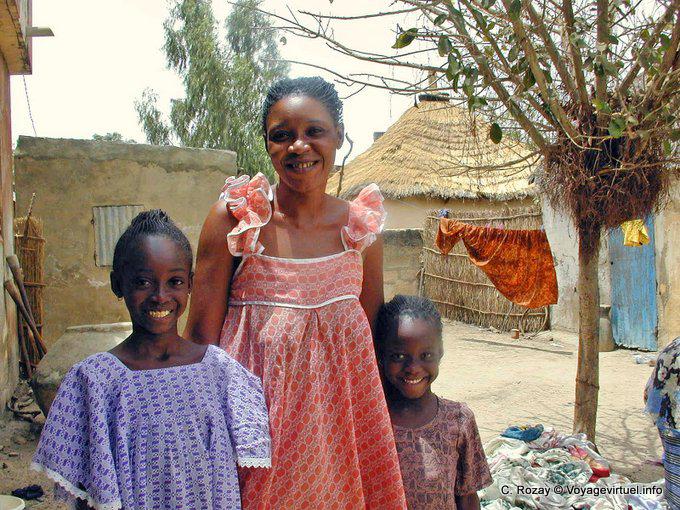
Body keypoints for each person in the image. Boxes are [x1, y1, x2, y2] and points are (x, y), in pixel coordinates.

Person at [184, 76, 407, 508]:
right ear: (268, 145)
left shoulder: (360, 233)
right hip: (253, 438)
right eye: (282, 136)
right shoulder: (236, 221)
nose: (298, 146)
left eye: (314, 132)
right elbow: (199, 340)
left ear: (339, 136)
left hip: (337, 441)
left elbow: (370, 343)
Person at [32, 210, 271, 510]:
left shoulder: (220, 373)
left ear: (190, 284)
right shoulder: (94, 382)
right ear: (117, 284)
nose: (160, 296)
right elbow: (88, 495)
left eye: (174, 281)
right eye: (143, 282)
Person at [376, 295, 492, 510]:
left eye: (426, 355)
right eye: (399, 356)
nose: (413, 367)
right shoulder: (370, 423)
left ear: (440, 354)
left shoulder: (458, 420)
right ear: (382, 356)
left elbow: (467, 497)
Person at [645, 336, 680, 508]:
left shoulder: (674, 344)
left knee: (675, 474)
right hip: (673, 418)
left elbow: (648, 391)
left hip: (665, 417)